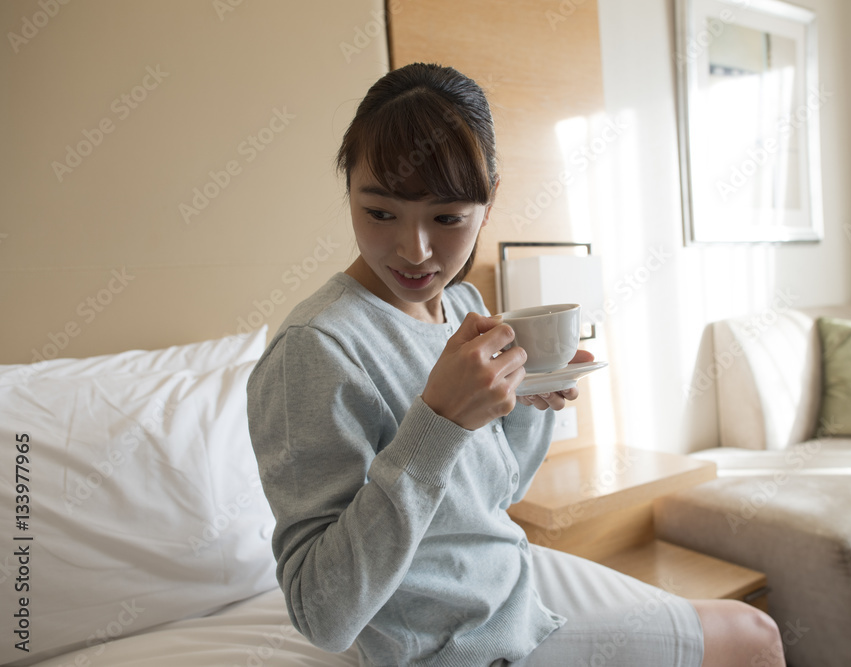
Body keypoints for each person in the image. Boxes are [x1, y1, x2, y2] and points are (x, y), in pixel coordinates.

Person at [246, 62, 784, 667]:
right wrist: (440, 423)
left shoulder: (461, 305)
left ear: (490, 198)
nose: (414, 250)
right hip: (454, 648)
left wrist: (528, 406)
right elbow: (323, 614)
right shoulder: (316, 350)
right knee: (754, 637)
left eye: (447, 218)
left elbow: (496, 495)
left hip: (511, 591)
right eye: (380, 212)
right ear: (349, 187)